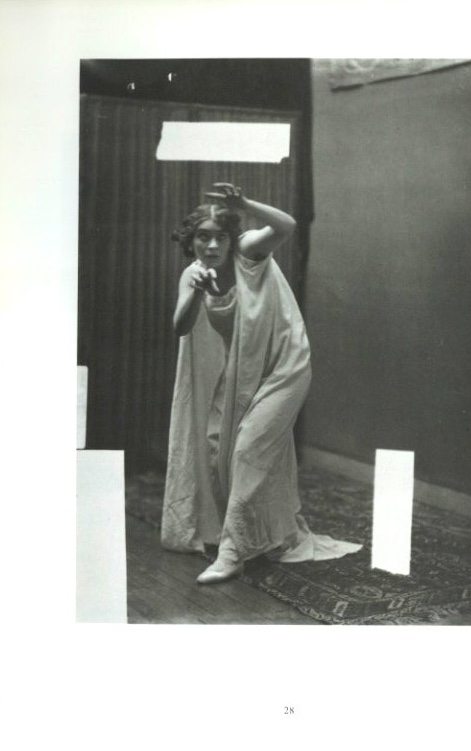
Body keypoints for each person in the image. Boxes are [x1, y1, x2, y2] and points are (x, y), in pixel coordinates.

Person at [161, 182, 361, 584]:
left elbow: (286, 226)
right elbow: (181, 326)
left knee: (248, 448)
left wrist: (245, 204)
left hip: (284, 366)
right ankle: (261, 534)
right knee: (218, 446)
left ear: (231, 238)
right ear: (190, 240)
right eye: (203, 237)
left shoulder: (248, 250)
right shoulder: (192, 275)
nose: (212, 245)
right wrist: (196, 294)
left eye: (220, 237)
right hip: (242, 372)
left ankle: (232, 553)